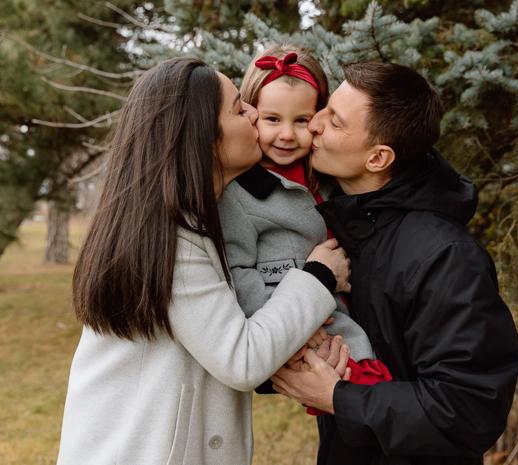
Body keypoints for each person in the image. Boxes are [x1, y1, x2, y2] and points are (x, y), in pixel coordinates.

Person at [56, 56, 352, 465]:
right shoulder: (171, 241)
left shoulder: (195, 219)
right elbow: (242, 358)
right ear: (205, 138)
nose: (253, 114)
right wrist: (319, 276)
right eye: (239, 108)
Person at [270, 61, 518, 464]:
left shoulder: (445, 257)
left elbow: (468, 408)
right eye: (325, 108)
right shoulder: (339, 227)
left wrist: (338, 397)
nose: (313, 124)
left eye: (334, 122)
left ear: (378, 158)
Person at [218, 44, 391, 408]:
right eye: (272, 119)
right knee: (362, 386)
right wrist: (281, 326)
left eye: (301, 121)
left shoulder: (326, 177)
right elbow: (237, 271)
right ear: (251, 115)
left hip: (342, 305)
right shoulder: (243, 193)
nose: (286, 135)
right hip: (294, 321)